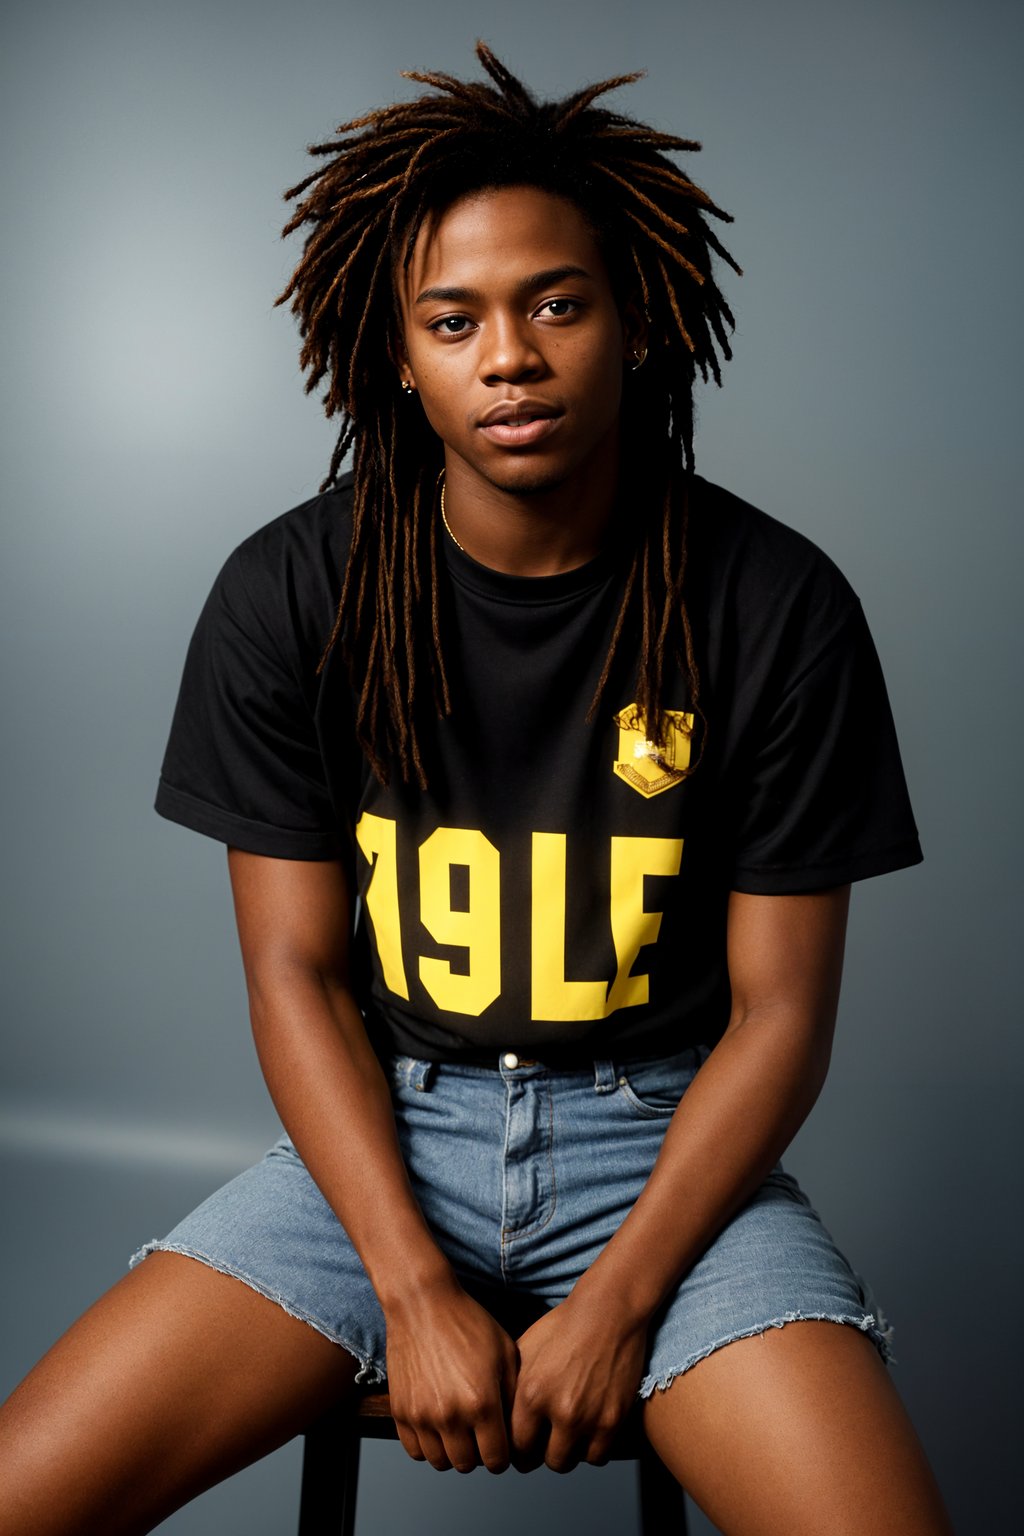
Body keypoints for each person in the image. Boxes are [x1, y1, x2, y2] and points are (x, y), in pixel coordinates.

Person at [0, 43, 953, 1535]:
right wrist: (409, 1284)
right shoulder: (292, 594)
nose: (507, 355)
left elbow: (780, 1015)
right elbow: (297, 974)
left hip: (674, 1153)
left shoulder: (775, 603)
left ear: (636, 321)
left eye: (555, 304)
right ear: (396, 351)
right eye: (455, 320)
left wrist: (624, 1298)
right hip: (381, 1144)